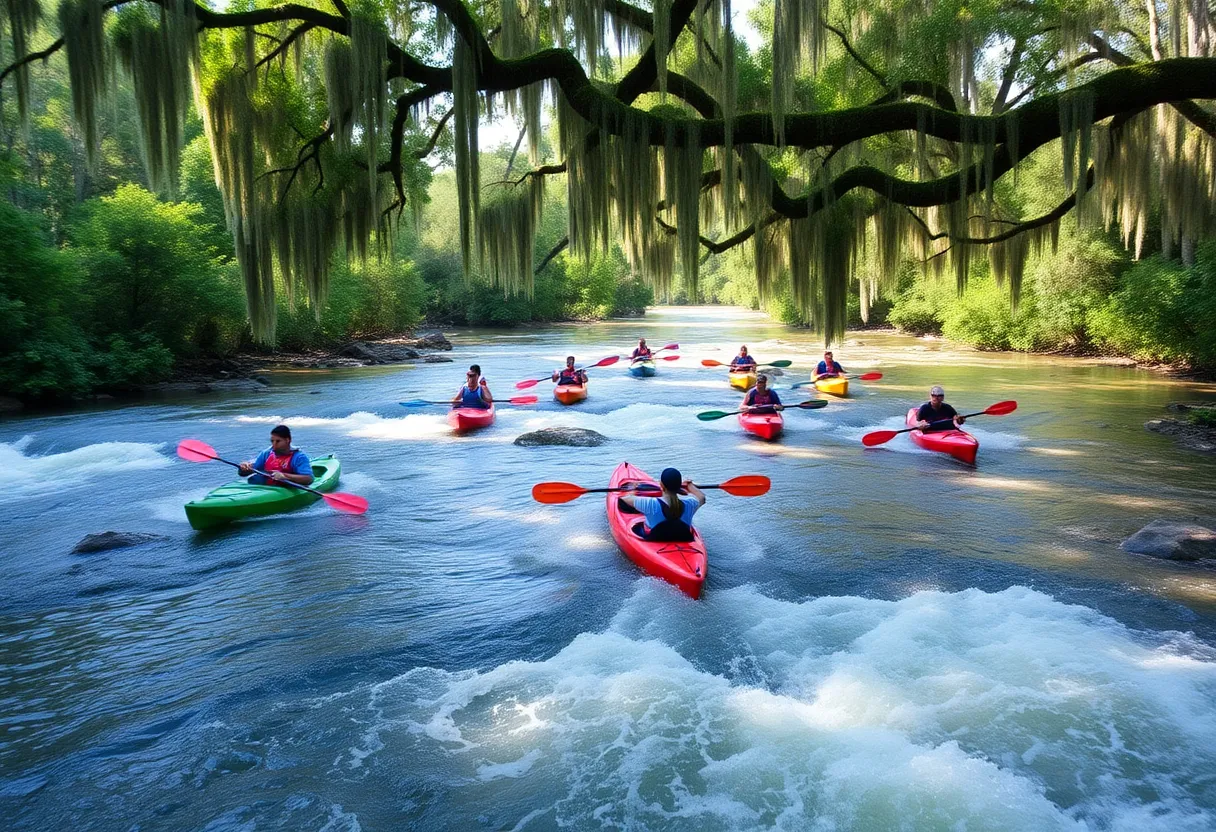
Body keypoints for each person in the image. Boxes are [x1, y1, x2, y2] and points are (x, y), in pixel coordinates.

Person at [620, 467, 706, 543]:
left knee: (637, 528)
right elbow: (702, 498)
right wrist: (690, 487)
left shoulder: (651, 504)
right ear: (679, 486)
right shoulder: (689, 504)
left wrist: (633, 489)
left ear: (661, 485)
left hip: (654, 539)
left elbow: (625, 498)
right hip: (682, 538)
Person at [239, 425, 314, 486]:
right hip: (264, 488)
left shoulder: (299, 457)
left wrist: (284, 476)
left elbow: (309, 479)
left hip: (286, 488)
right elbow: (244, 473)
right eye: (272, 441)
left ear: (288, 440)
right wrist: (244, 467)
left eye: (278, 441)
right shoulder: (266, 453)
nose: (273, 445)